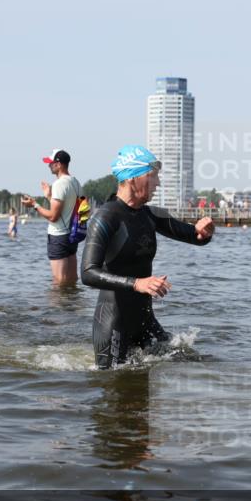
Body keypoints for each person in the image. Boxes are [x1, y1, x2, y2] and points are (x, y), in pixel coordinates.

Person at [81, 145, 215, 369]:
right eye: (153, 177)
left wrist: (204, 233)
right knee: (116, 391)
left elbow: (194, 236)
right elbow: (87, 273)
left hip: (144, 321)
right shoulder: (105, 217)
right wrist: (137, 283)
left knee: (189, 363)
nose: (158, 184)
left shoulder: (150, 215)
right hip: (114, 323)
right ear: (134, 179)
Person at [21, 149, 82, 286]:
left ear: (59, 164)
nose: (49, 165)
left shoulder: (59, 184)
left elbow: (54, 216)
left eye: (51, 163)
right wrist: (49, 196)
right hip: (72, 235)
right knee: (72, 280)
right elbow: (65, 209)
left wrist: (34, 205)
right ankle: (72, 305)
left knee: (59, 282)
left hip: (59, 236)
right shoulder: (75, 182)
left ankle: (56, 308)